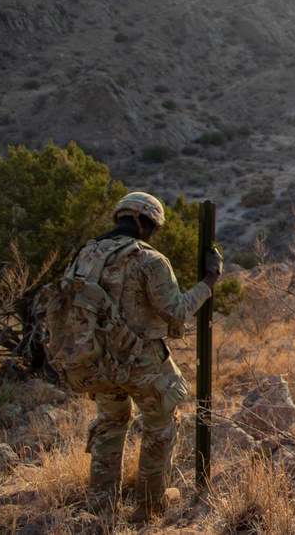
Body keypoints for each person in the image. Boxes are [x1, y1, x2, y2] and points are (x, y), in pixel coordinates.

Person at [80, 192, 221, 522]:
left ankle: (100, 511)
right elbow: (176, 312)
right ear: (144, 223)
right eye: (153, 228)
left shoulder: (87, 254)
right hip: (142, 362)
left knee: (110, 426)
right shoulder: (149, 259)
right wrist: (209, 280)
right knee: (160, 425)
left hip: (98, 360)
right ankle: (149, 506)